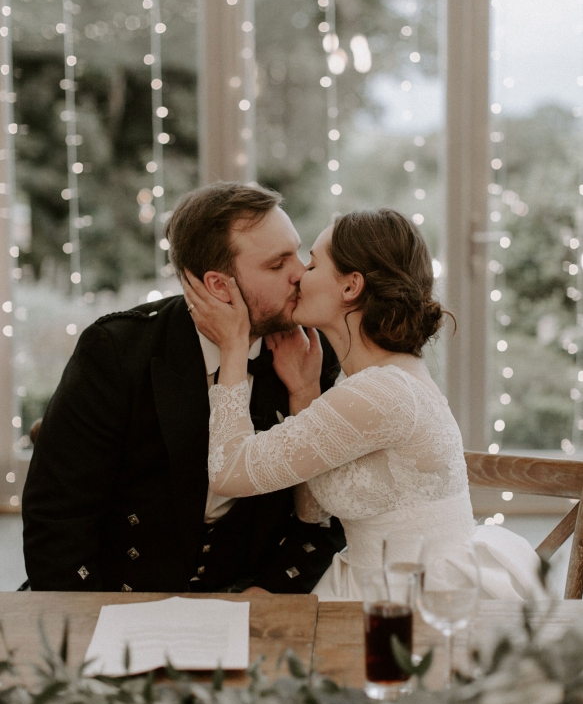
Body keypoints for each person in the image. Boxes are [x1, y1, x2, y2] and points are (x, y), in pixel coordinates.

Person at [184, 207, 543, 600]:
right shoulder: (366, 380)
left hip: (422, 598)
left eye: (314, 263)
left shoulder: (381, 392)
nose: (300, 273)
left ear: (351, 287)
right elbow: (313, 511)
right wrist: (304, 392)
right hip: (366, 584)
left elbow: (229, 472)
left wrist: (233, 346)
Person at [22, 183, 344, 593]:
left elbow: (325, 516)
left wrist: (270, 595)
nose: (300, 273)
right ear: (218, 286)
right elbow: (57, 519)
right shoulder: (118, 351)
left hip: (252, 600)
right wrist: (95, 628)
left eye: (297, 253)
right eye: (277, 264)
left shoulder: (315, 352)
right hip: (118, 602)